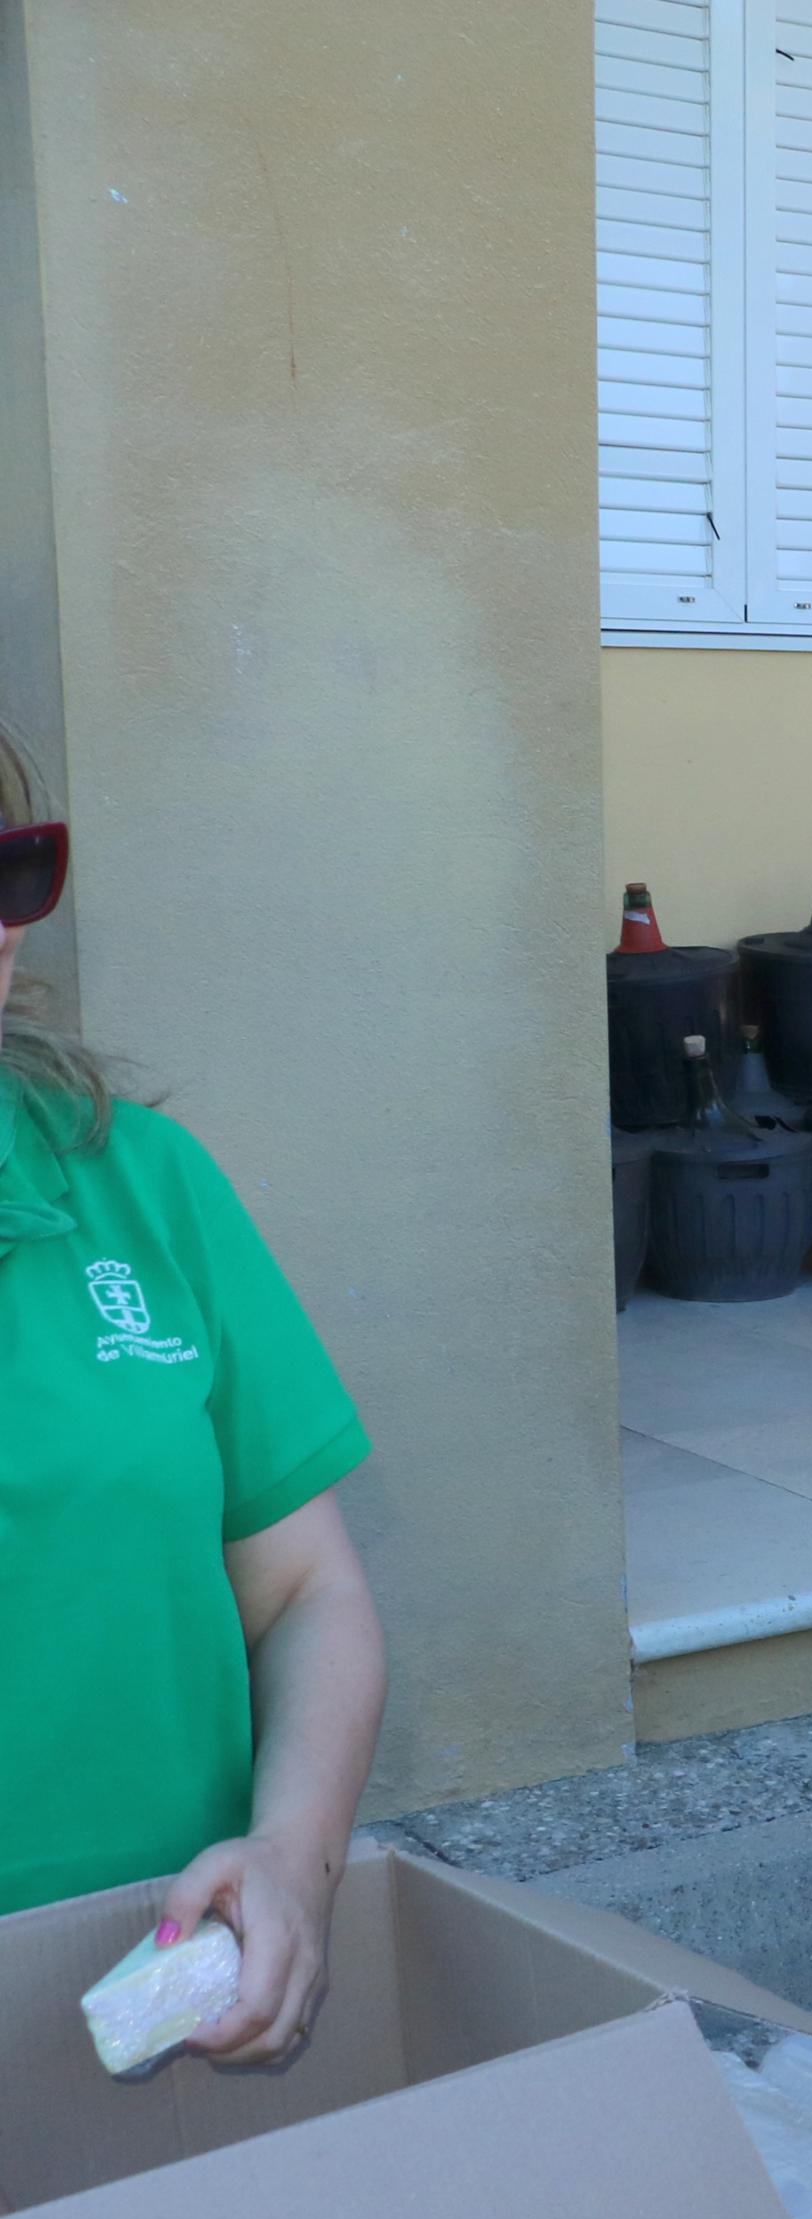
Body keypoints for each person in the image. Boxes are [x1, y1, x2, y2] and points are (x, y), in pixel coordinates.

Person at [0, 726, 383, 2067]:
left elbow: (303, 1591)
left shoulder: (141, 1181)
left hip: (154, 1999)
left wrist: (292, 1856)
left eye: (5, 869)